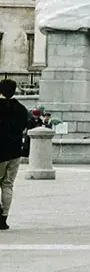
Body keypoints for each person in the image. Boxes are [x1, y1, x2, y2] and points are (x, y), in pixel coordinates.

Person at [0, 78, 42, 232]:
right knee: (8, 184)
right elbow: (23, 127)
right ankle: (4, 218)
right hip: (15, 152)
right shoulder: (21, 108)